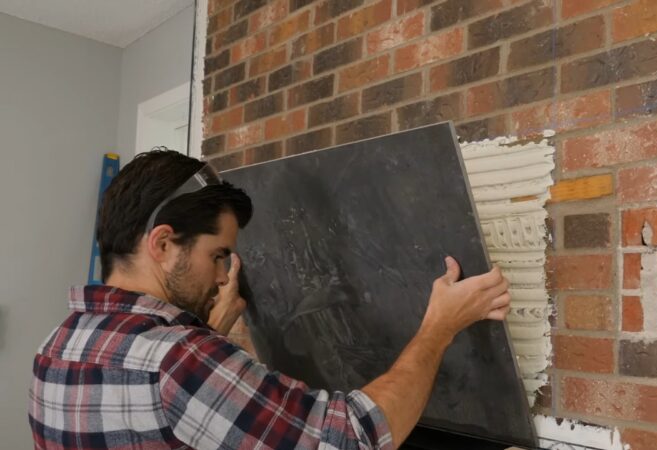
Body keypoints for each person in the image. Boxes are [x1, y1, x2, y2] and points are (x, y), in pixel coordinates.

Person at [29, 149, 512, 449]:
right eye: (218, 255)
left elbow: (150, 411)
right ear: (161, 244)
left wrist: (207, 333)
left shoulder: (56, 346)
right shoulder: (180, 360)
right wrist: (439, 327)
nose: (224, 277)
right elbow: (348, 439)